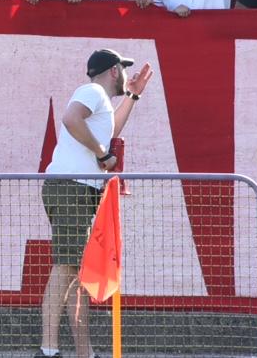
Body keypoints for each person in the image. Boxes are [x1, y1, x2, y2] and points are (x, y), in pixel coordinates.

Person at [39, 49, 152, 358]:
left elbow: (110, 130)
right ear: (114, 71)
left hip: (76, 189)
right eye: (124, 70)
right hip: (71, 187)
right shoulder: (91, 91)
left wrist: (133, 96)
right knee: (65, 268)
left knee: (77, 275)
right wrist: (103, 156)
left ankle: (83, 352)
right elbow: (71, 118)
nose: (127, 75)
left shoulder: (99, 100)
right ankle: (48, 351)